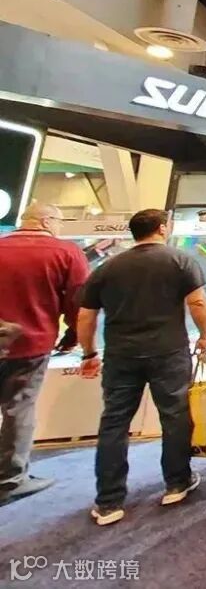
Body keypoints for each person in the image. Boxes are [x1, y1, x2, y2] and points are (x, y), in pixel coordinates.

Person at [76, 209, 206, 526]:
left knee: (114, 422)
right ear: (162, 228)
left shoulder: (108, 267)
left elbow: (86, 316)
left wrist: (88, 353)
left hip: (121, 354)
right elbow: (197, 303)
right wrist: (204, 335)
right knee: (175, 416)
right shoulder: (181, 260)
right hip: (169, 351)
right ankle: (177, 482)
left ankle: (108, 501)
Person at [0, 203, 89, 505]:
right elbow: (79, 301)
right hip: (29, 344)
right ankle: (11, 480)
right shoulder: (65, 252)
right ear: (48, 221)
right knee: (19, 409)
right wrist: (76, 336)